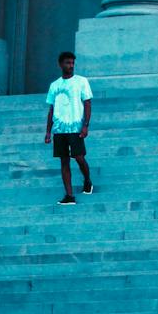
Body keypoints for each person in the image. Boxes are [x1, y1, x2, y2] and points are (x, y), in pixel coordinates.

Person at [44, 52, 93, 205]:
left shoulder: (81, 82)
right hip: (59, 129)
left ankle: (87, 180)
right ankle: (69, 195)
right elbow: (51, 109)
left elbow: (87, 104)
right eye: (67, 63)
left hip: (75, 127)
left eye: (72, 63)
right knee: (64, 161)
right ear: (60, 64)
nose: (70, 66)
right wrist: (48, 131)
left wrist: (85, 125)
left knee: (79, 157)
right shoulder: (54, 85)